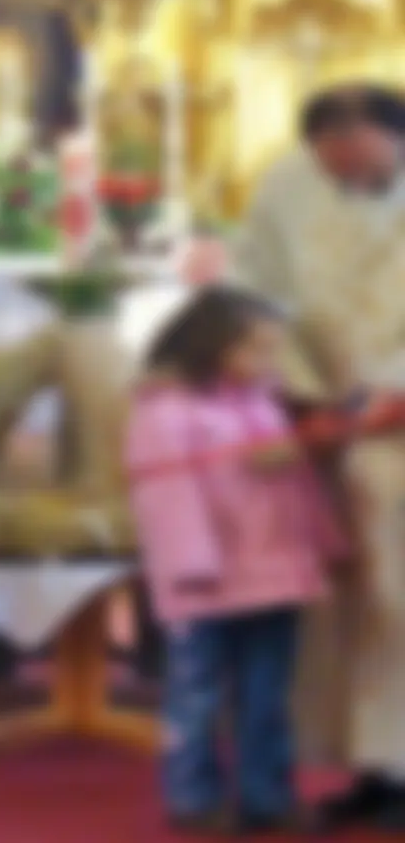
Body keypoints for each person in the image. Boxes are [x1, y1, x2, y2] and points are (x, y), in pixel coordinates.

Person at [230, 84, 405, 830]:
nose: (338, 170)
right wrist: (301, 402)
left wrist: (382, 401)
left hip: (392, 430)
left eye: (350, 153)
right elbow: (272, 303)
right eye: (327, 158)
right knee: (349, 614)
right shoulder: (304, 198)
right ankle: (376, 763)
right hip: (335, 437)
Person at [124, 286, 348, 835]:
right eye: (257, 350)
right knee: (196, 695)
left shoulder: (259, 402)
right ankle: (194, 798)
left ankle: (265, 796)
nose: (269, 363)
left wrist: (325, 544)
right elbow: (167, 496)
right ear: (211, 346)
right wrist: (192, 564)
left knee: (268, 694)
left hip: (275, 575)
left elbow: (292, 484)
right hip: (207, 579)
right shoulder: (167, 410)